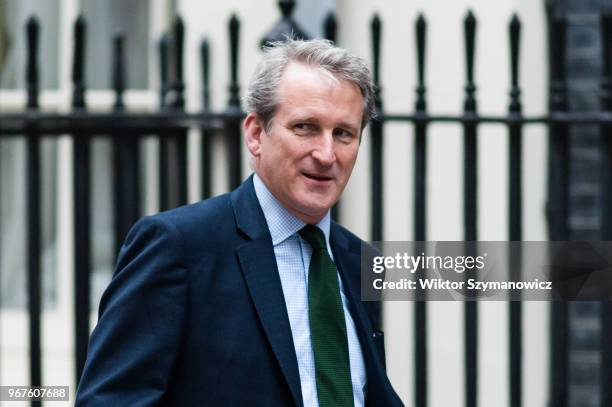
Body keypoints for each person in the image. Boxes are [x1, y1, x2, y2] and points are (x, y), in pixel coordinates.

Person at [75, 38, 403, 407]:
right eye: (306, 127)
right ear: (255, 134)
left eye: (343, 133)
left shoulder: (358, 259)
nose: (327, 154)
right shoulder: (177, 246)